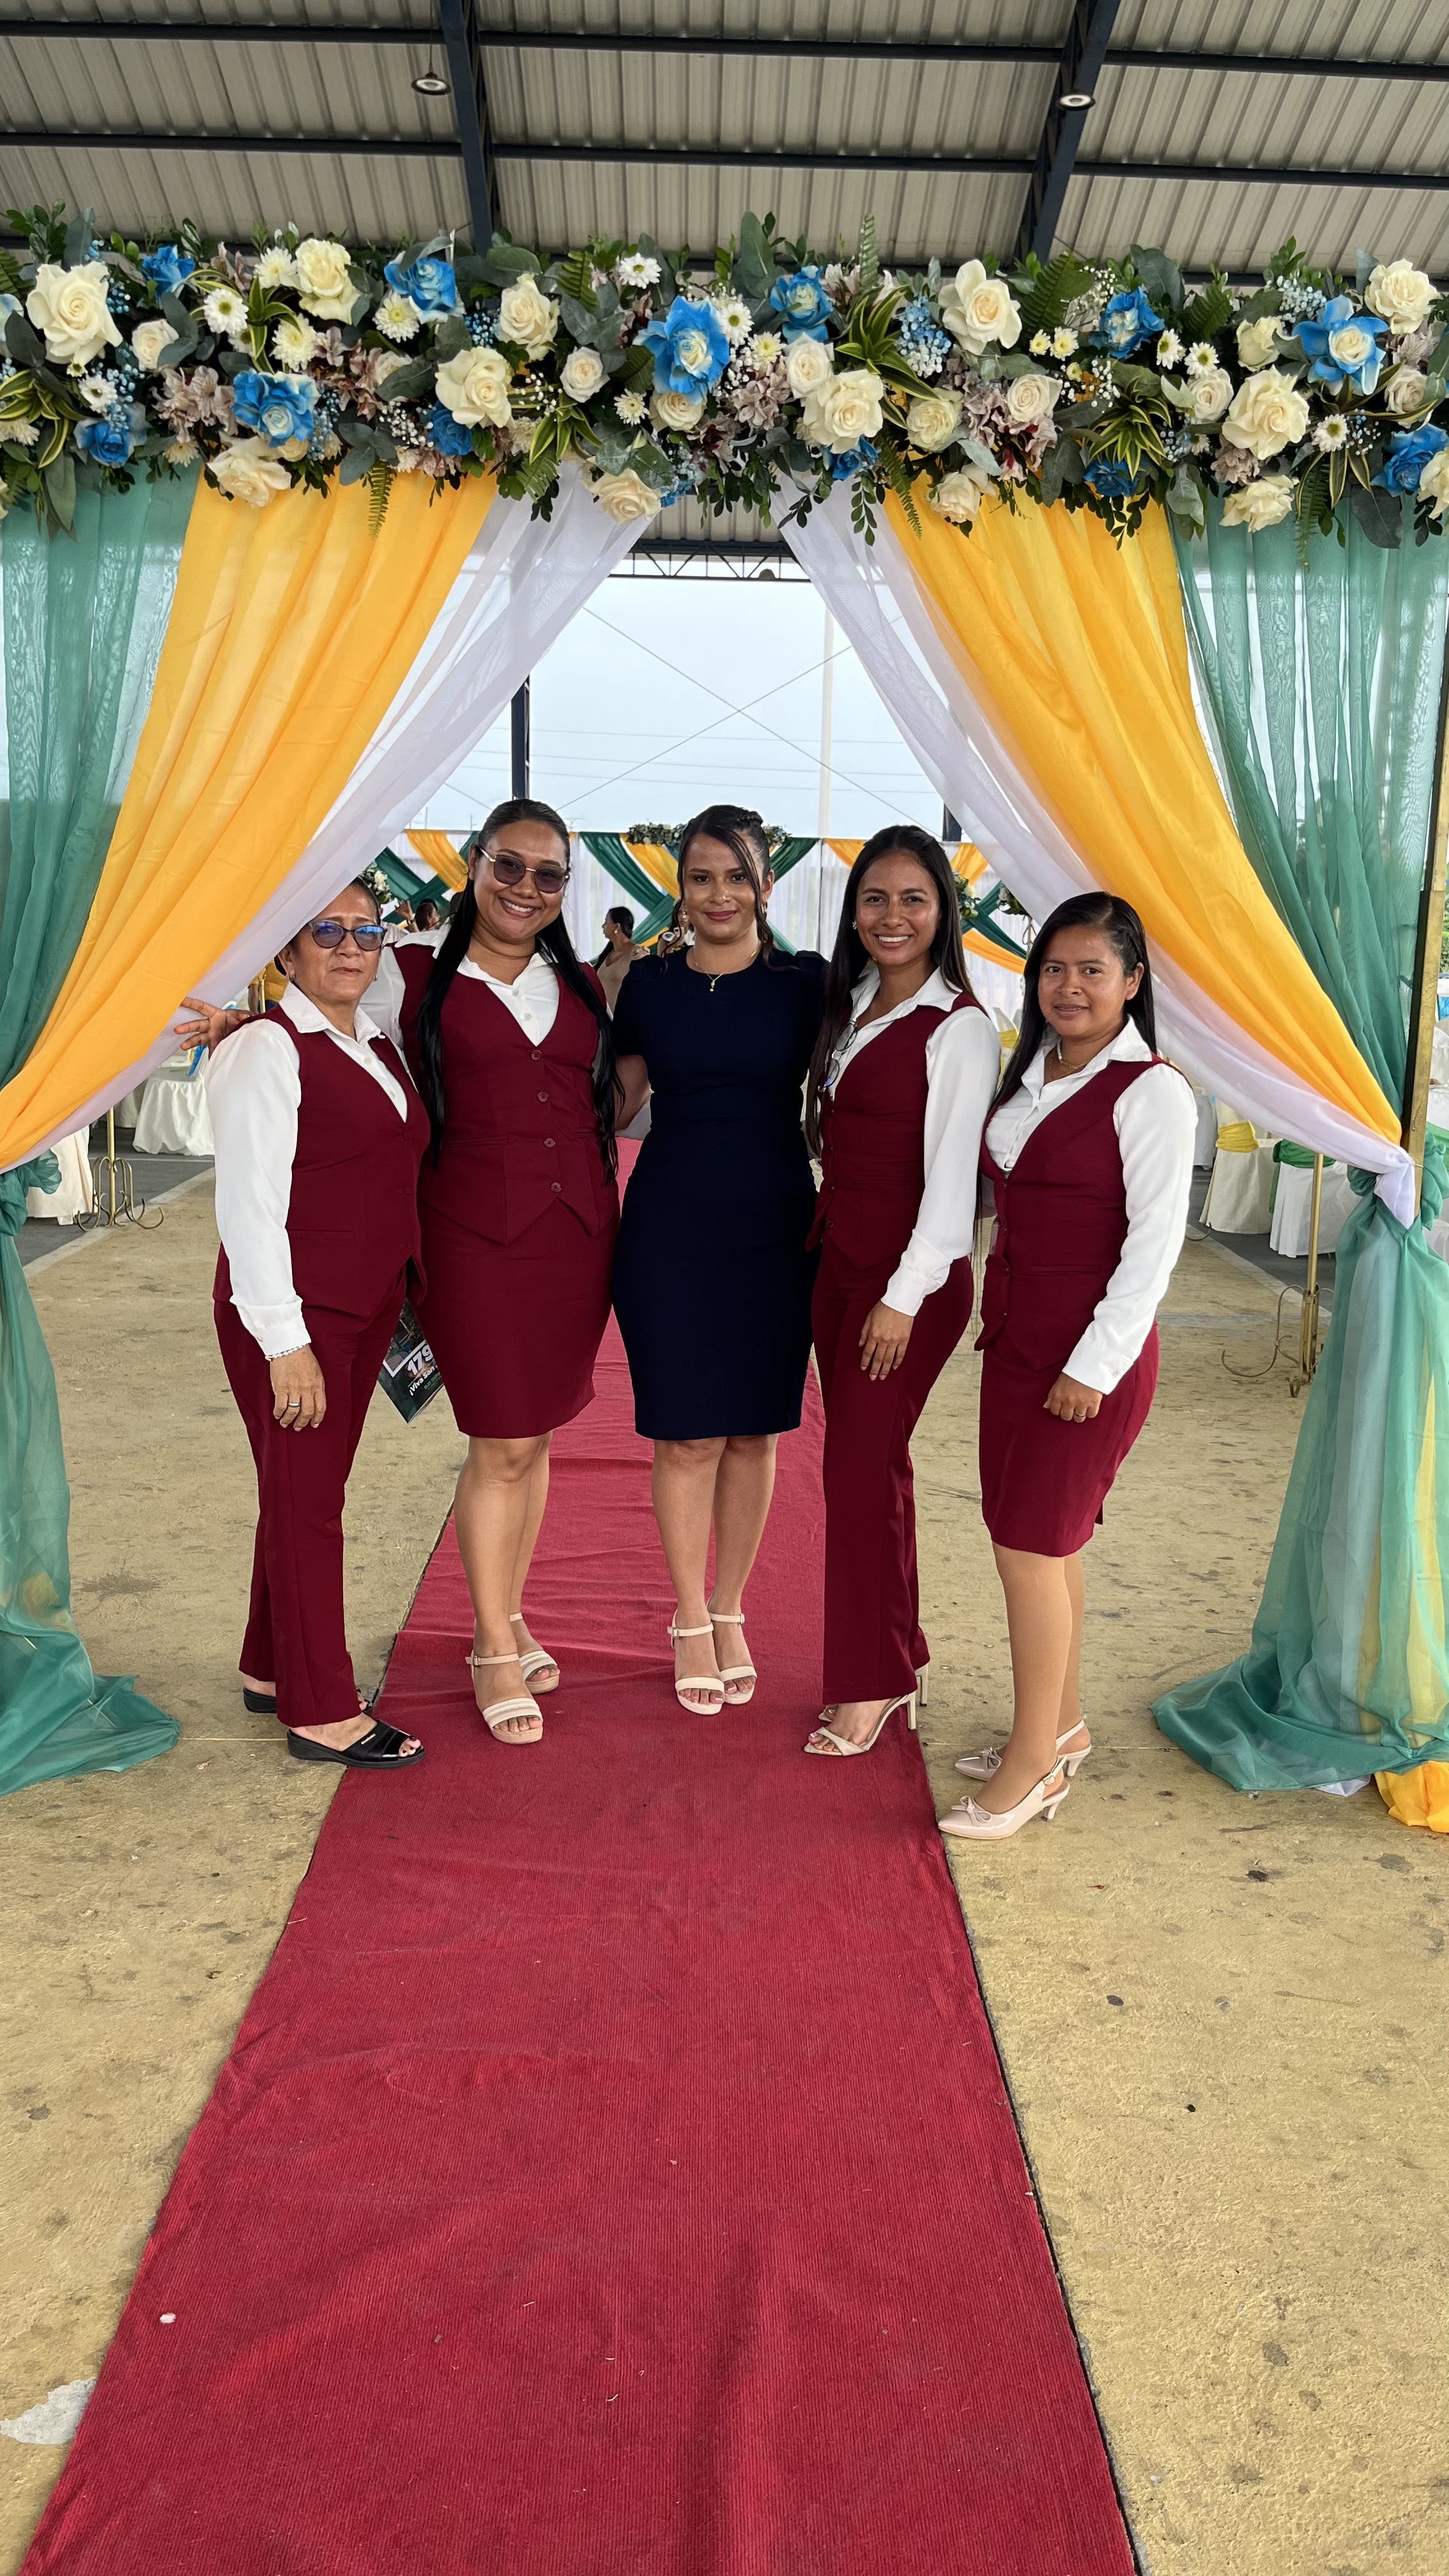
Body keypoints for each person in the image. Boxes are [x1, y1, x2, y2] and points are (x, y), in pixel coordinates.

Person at [941, 893, 1195, 1844]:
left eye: (1093, 970)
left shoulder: (1152, 1091)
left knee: (1029, 1550)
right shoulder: (1034, 1073)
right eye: (1055, 968)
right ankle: (1064, 1725)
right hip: (1016, 1346)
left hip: (1088, 1359)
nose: (1071, 986)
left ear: (1133, 983)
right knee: (1046, 1545)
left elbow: (1153, 1248)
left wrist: (1094, 1366)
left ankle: (1033, 1763)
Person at [372, 800, 619, 1746]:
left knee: (536, 1438)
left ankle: (508, 1614)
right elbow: (335, 1041)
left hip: (576, 1241)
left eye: (548, 875)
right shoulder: (407, 973)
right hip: (470, 1240)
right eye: (508, 866)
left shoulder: (581, 982)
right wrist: (247, 1024)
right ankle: (488, 1642)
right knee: (501, 1441)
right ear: (474, 865)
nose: (525, 888)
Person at [204, 879, 431, 1770]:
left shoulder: (371, 1040)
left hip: (362, 1304)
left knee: (303, 1495)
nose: (349, 947)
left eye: (366, 931)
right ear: (286, 949)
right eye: (326, 930)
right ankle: (322, 1708)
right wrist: (285, 1342)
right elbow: (248, 1206)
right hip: (295, 1314)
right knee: (309, 1507)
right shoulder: (268, 1048)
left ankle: (269, 1665)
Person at [610, 806, 826, 1711]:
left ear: (767, 883)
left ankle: (732, 1606)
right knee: (689, 1432)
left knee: (753, 1431)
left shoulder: (809, 982)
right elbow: (615, 1102)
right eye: (701, 878)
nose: (720, 895)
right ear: (680, 888)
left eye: (738, 876)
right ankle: (690, 1617)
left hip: (776, 1224)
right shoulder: (649, 985)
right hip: (670, 1226)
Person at [800, 827, 999, 1757]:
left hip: (907, 1281)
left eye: (913, 899)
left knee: (857, 1471)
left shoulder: (958, 1026)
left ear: (943, 912)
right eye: (874, 899)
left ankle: (873, 1682)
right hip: (839, 1264)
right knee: (870, 1468)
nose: (892, 916)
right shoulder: (853, 1007)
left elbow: (953, 1187)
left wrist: (902, 1297)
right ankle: (899, 1653)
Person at [594, 905, 645, 1012]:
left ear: (617, 927)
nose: (603, 926)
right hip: (601, 1017)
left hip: (624, 1018)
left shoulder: (637, 953)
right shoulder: (608, 953)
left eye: (606, 922)